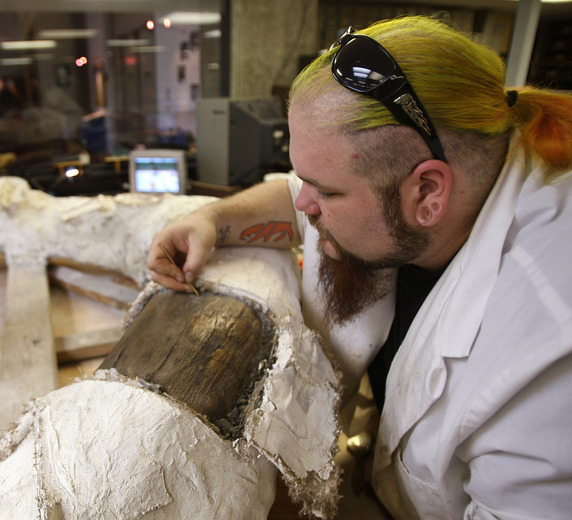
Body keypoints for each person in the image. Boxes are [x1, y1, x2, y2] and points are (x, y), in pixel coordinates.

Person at [146, 15, 572, 520]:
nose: (305, 203)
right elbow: (291, 194)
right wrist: (212, 218)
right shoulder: (434, 190)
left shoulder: (545, 354)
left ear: (428, 192)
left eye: (325, 191)